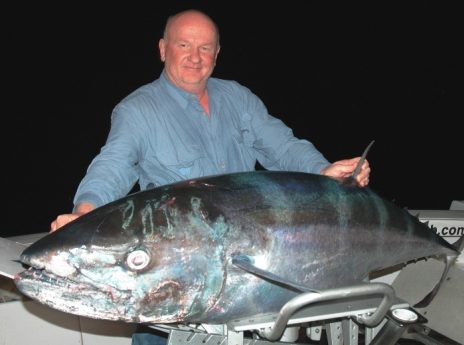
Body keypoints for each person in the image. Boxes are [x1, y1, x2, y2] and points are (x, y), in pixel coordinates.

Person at [50, 9, 371, 345]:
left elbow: (283, 146)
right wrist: (85, 213)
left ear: (217, 54)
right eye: (184, 45)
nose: (195, 57)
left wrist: (323, 171)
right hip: (178, 294)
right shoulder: (138, 111)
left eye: (205, 48)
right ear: (163, 49)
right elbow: (113, 165)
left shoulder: (237, 98)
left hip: (244, 283)